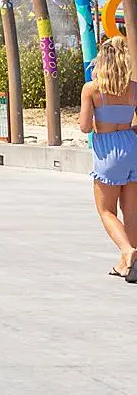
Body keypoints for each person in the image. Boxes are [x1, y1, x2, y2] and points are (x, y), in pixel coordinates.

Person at [78, 36, 137, 281]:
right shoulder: (134, 88)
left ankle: (128, 250)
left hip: (107, 151)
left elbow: (84, 126)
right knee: (131, 210)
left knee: (106, 211)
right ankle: (128, 265)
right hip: (132, 147)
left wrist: (98, 124)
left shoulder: (92, 89)